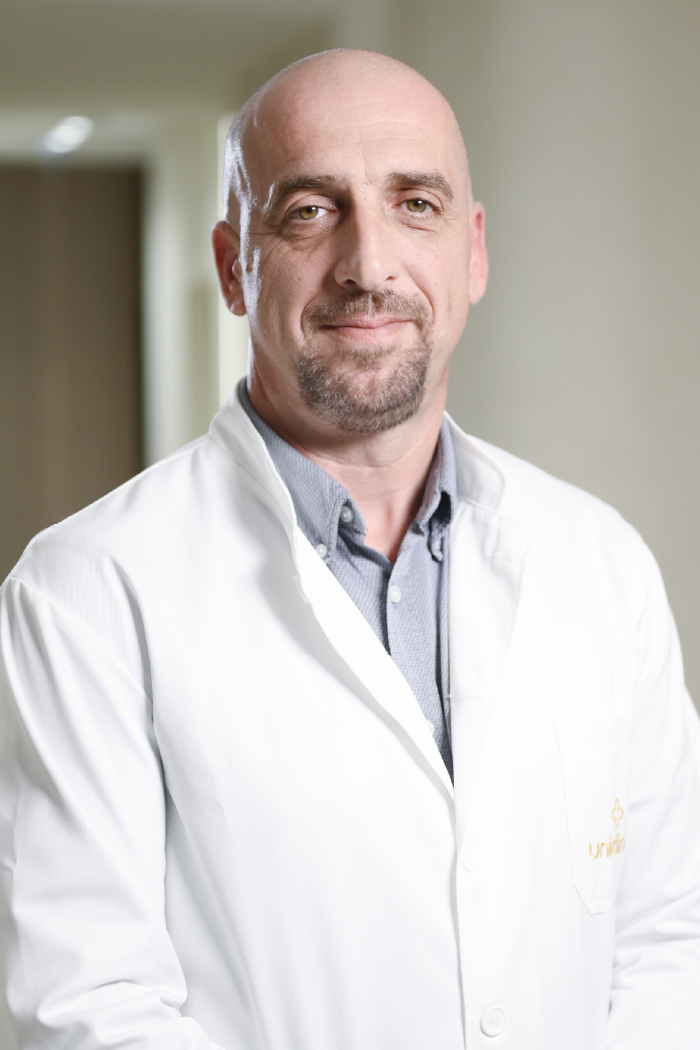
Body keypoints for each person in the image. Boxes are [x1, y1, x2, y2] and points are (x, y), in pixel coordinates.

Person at [1, 48, 699, 1050]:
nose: (369, 265)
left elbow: (670, 935)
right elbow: (88, 1008)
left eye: (414, 204)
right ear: (233, 266)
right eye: (309, 210)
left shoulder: (600, 562)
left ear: (472, 252)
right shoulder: (85, 593)